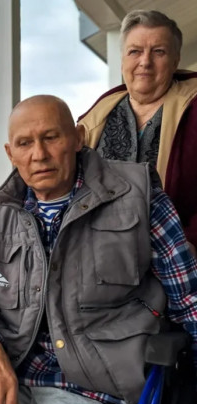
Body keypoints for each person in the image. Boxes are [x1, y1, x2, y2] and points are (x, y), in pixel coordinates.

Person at [0, 95, 197, 404]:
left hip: (99, 391)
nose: (39, 154)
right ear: (11, 154)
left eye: (51, 137)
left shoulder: (138, 195)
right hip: (14, 379)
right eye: (24, 143)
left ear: (78, 138)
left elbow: (190, 300)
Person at [78, 9, 197, 251]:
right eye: (135, 51)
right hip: (99, 257)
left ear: (175, 61)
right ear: (123, 59)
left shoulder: (193, 110)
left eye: (158, 51)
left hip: (174, 258)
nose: (145, 62)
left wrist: (193, 242)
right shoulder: (94, 118)